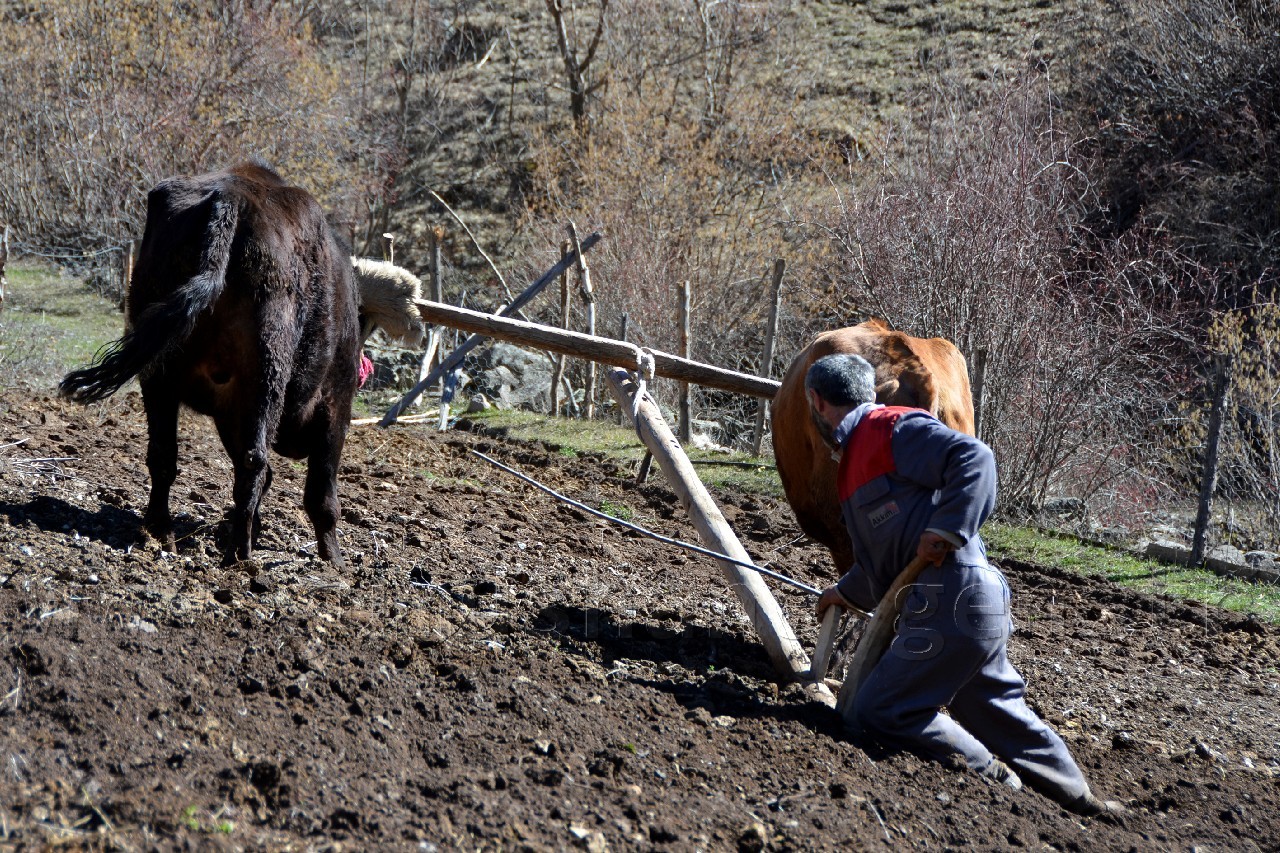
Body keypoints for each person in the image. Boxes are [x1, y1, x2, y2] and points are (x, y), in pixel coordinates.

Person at [807, 353, 1121, 816]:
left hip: (949, 603)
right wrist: (843, 593)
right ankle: (1081, 799)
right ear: (868, 391)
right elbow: (883, 566)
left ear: (817, 401)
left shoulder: (892, 429)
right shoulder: (855, 457)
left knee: (881, 710)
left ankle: (995, 776)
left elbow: (975, 458)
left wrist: (948, 528)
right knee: (994, 710)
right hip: (970, 606)